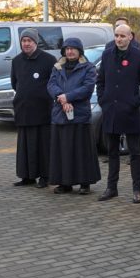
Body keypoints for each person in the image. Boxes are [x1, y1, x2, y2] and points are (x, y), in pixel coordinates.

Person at [96, 24, 140, 203]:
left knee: (134, 152)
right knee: (112, 152)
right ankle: (111, 188)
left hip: (131, 111)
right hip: (111, 110)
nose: (119, 39)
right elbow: (100, 80)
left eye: (122, 36)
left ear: (130, 37)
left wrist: (135, 102)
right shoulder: (107, 54)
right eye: (116, 35)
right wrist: (103, 100)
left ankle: (137, 189)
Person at [47, 38, 102, 195]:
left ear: (79, 51)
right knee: (62, 151)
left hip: (79, 115)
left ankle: (85, 183)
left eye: (73, 49)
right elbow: (51, 85)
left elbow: (88, 88)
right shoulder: (57, 67)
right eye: (67, 49)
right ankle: (65, 183)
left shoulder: (88, 68)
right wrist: (61, 98)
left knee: (81, 151)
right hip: (60, 114)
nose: (69, 51)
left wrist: (68, 97)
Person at [11, 28, 57, 188]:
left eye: (29, 41)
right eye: (24, 41)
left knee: (43, 146)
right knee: (25, 146)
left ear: (35, 42)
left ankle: (45, 176)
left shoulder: (49, 60)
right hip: (23, 110)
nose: (26, 44)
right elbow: (14, 83)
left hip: (42, 111)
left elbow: (55, 83)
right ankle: (27, 176)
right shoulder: (16, 61)